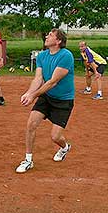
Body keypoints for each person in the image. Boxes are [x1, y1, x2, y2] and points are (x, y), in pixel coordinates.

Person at [15, 28, 75, 173]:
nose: (47, 36)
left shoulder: (66, 56)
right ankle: (28, 160)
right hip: (47, 97)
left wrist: (33, 96)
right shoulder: (42, 56)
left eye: (50, 35)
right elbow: (39, 78)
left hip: (63, 100)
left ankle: (65, 147)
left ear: (58, 41)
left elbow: (52, 82)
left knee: (55, 137)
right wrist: (29, 92)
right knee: (31, 124)